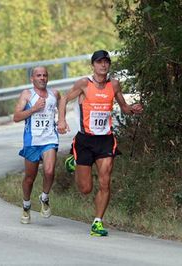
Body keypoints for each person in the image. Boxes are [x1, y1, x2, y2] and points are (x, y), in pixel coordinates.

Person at [57, 50, 143, 236]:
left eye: (106, 62)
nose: (103, 65)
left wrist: (132, 109)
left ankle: (97, 222)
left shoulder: (114, 85)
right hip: (85, 140)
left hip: (105, 140)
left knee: (105, 182)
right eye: (99, 62)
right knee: (85, 189)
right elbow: (64, 98)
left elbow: (124, 108)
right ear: (93, 65)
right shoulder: (84, 84)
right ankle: (73, 161)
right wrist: (61, 120)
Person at [13, 66, 61, 224]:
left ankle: (44, 197)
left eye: (45, 75)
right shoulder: (27, 94)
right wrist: (33, 109)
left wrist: (62, 119)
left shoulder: (54, 94)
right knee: (29, 178)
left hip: (49, 139)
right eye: (38, 75)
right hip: (32, 141)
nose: (42, 78)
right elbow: (16, 117)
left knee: (49, 171)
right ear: (32, 79)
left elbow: (63, 102)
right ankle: (26, 205)